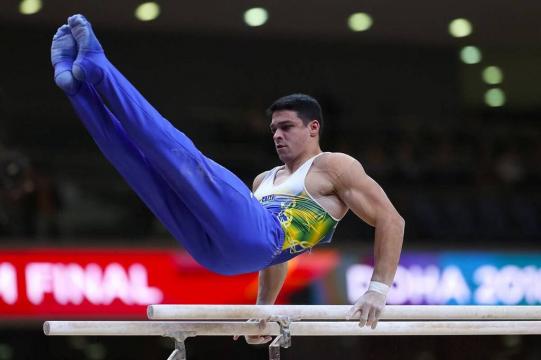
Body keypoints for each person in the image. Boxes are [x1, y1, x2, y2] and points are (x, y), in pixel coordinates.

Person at [50, 15, 405, 341]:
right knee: (143, 170)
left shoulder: (334, 166)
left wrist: (378, 288)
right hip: (223, 253)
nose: (277, 135)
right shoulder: (264, 179)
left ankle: (101, 69)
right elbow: (276, 256)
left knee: (180, 156)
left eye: (286, 127)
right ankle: (79, 90)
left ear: (314, 128)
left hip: (255, 243)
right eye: (273, 129)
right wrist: (263, 308)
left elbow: (391, 219)